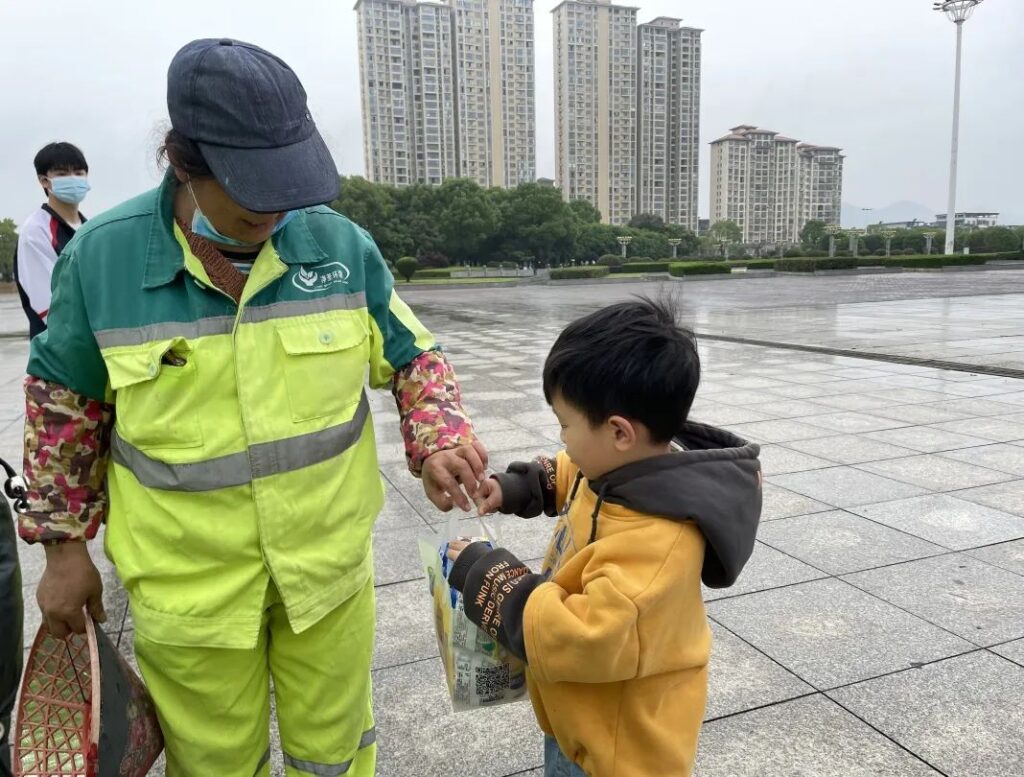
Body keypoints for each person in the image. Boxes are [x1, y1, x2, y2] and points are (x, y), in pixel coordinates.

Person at [19, 38, 486, 777]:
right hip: (191, 593)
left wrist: (439, 438)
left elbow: (415, 355)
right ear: (184, 162)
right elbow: (61, 410)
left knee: (333, 755)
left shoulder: (340, 245)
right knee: (214, 765)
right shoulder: (101, 261)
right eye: (249, 188)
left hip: (327, 574)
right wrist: (63, 547)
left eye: (286, 183)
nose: (273, 209)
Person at [447, 299, 763, 777]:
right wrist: (523, 486)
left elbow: (582, 635)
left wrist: (493, 582)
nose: (563, 438)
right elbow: (575, 473)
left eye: (565, 424)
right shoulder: (628, 466)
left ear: (619, 432)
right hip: (579, 717)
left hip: (615, 751)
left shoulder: (657, 545)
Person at [14, 142, 90, 338]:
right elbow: (52, 307)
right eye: (62, 174)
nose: (73, 179)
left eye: (79, 172)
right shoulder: (35, 232)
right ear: (44, 181)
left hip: (98, 345)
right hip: (61, 350)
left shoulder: (90, 229)